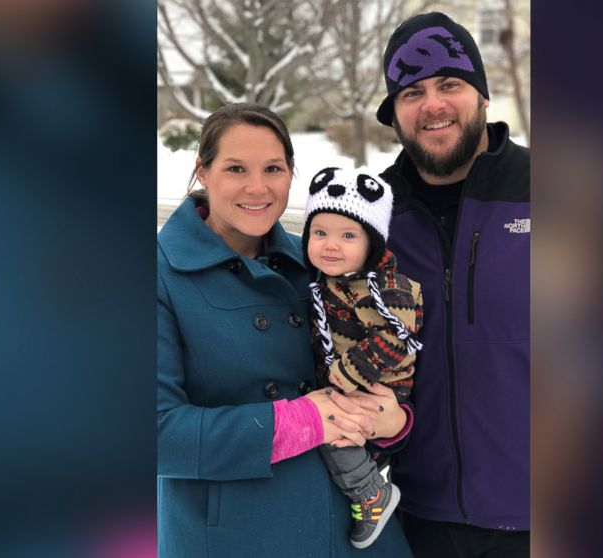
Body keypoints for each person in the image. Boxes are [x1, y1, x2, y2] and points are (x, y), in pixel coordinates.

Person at [157, 103, 413, 558]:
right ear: (202, 171)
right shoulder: (158, 272)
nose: (258, 188)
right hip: (237, 534)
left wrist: (393, 423)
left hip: (353, 529)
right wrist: (298, 423)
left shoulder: (318, 260)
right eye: (236, 168)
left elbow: (380, 355)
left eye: (273, 168)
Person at [374, 12, 531, 558]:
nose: (433, 105)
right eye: (412, 91)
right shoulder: (372, 215)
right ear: (394, 114)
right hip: (415, 519)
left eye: (450, 84)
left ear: (483, 97)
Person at [301, 166, 425, 549]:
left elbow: (395, 339)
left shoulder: (387, 290)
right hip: (351, 380)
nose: (330, 245)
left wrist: (345, 374)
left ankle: (372, 492)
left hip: (380, 384)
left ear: (372, 245)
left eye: (348, 236)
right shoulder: (332, 282)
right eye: (319, 233)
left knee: (335, 433)